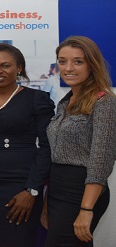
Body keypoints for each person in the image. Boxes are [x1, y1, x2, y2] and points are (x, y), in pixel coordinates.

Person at [0, 43, 54, 247]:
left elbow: (47, 147)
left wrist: (32, 190)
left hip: (21, 186)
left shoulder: (37, 99)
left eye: (5, 65)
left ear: (19, 68)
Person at [43, 36, 116, 246]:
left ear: (92, 64)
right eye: (62, 61)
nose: (68, 68)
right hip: (58, 188)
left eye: (78, 61)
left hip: (82, 191)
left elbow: (101, 160)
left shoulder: (104, 102)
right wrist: (47, 203)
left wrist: (86, 209)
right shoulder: (65, 102)